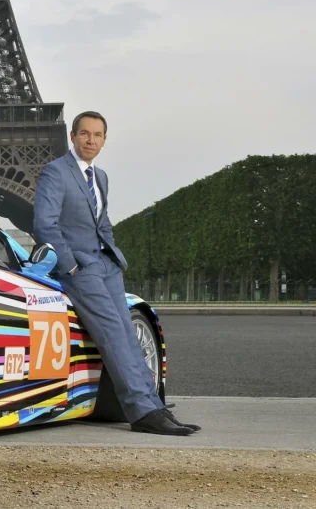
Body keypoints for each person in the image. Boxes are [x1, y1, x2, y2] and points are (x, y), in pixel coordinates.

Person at [33, 111, 201, 436]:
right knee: (112, 335)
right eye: (85, 134)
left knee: (126, 335)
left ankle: (154, 405)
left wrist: (112, 253)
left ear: (105, 140)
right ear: (73, 136)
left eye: (98, 135)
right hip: (80, 268)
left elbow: (102, 221)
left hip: (106, 265)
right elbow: (44, 224)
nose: (91, 141)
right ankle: (141, 412)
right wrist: (70, 264)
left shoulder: (101, 176)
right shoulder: (55, 173)